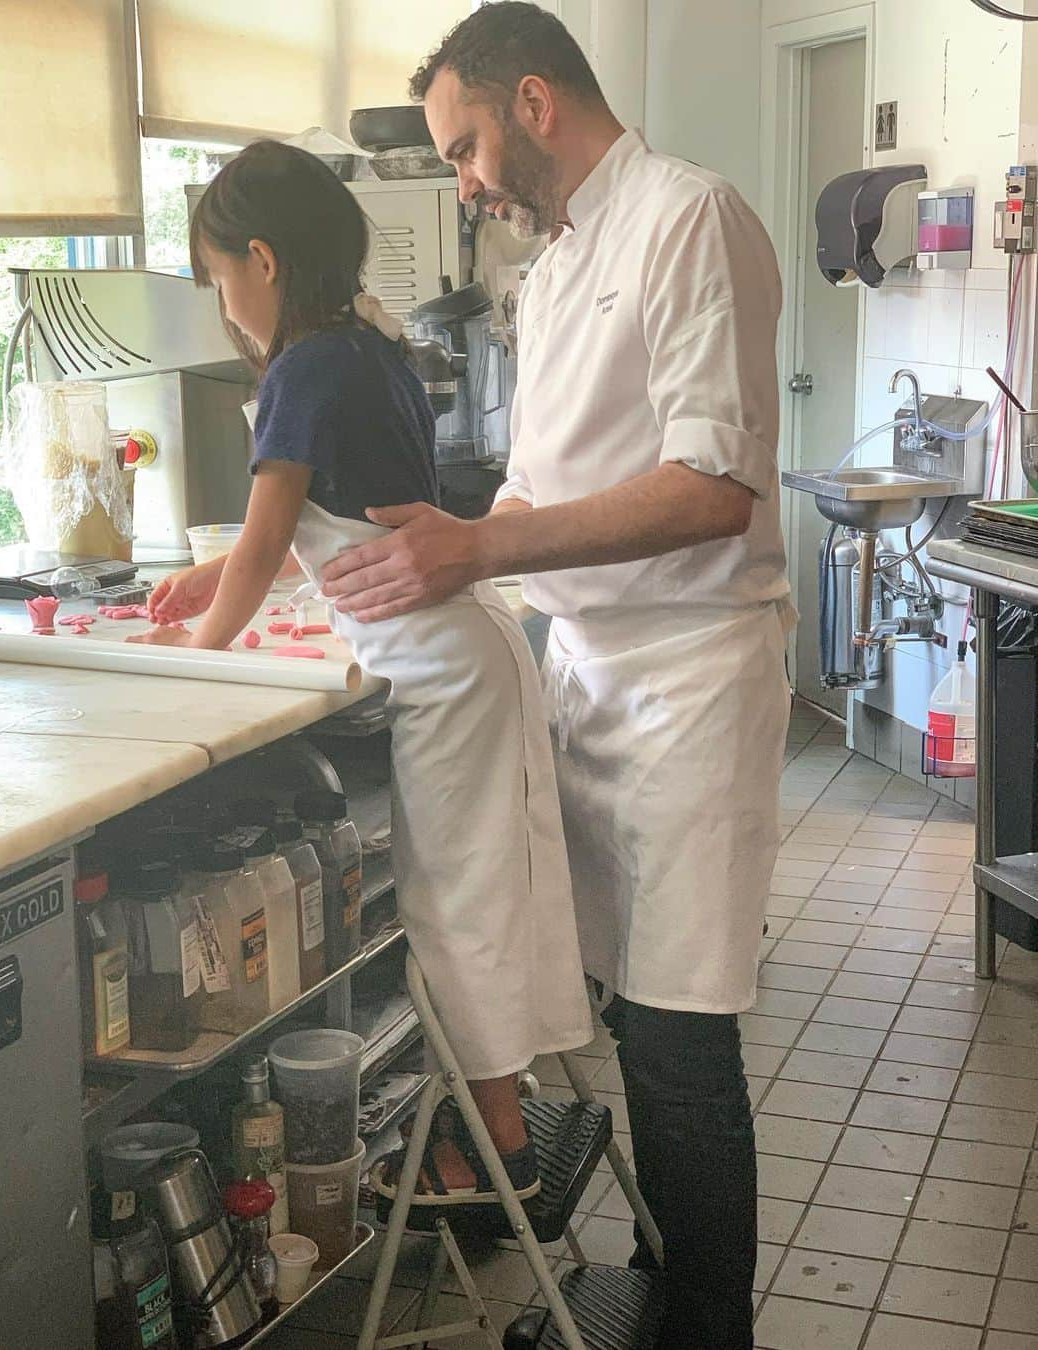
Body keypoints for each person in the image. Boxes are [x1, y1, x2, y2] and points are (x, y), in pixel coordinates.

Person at [318, 5, 793, 1346]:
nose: (462, 180)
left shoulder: (686, 216)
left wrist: (489, 544)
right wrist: (426, 559)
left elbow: (712, 488)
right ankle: (655, 1272)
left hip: (688, 679)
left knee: (684, 1046)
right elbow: (542, 481)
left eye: (465, 146)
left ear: (534, 105)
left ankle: (710, 1327)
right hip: (587, 671)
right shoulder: (564, 259)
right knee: (624, 1024)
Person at [129, 138, 593, 1205]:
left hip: (439, 669)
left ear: (263, 258)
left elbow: (267, 539)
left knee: (452, 908)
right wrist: (212, 584)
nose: (225, 305)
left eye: (219, 281)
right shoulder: (368, 345)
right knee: (484, 891)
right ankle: (500, 1127)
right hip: (467, 651)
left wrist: (198, 665)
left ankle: (495, 1155)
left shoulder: (299, 368)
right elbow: (325, 523)